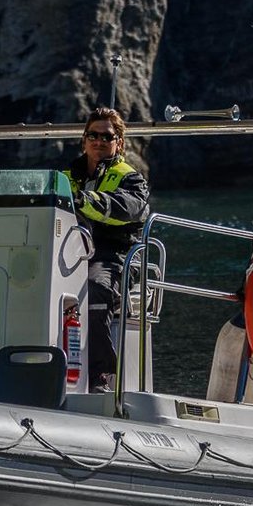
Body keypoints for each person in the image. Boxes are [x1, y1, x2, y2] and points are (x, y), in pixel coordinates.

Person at [62, 106, 151, 391]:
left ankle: (100, 378)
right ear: (84, 139)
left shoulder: (131, 179)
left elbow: (128, 208)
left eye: (107, 136)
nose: (99, 140)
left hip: (114, 258)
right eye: (93, 134)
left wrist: (85, 200)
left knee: (94, 290)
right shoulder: (64, 177)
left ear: (119, 143)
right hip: (66, 254)